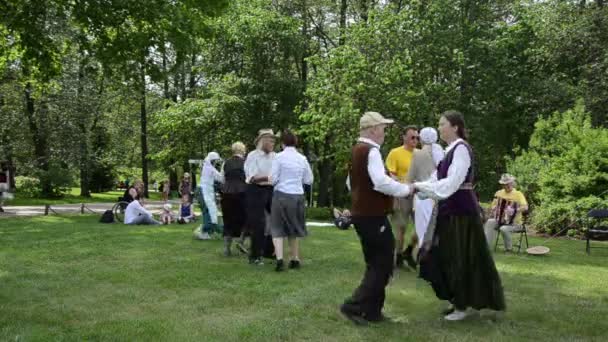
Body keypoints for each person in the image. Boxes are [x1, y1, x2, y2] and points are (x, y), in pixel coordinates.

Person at [413, 110, 505, 321]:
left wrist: (420, 188)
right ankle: (457, 301)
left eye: (442, 124)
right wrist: (416, 187)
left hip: (461, 213)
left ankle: (462, 306)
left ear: (455, 127)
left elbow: (452, 183)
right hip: (449, 210)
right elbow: (436, 179)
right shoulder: (449, 150)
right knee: (443, 255)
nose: (439, 128)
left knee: (459, 258)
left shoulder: (461, 149)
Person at [340, 111, 413, 325]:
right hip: (372, 216)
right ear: (373, 129)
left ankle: (373, 312)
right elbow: (380, 183)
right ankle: (353, 306)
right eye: (382, 127)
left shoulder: (356, 150)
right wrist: (405, 189)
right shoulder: (371, 151)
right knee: (381, 265)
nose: (384, 132)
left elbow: (349, 183)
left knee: (376, 263)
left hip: (363, 215)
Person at [270, 130, 314, 272]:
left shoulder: (278, 157)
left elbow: (273, 178)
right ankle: (295, 259)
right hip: (297, 196)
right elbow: (309, 179)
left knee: (277, 228)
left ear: (282, 143)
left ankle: (280, 260)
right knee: (294, 228)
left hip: (281, 194)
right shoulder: (302, 159)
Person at [385, 125, 419, 269]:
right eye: (412, 137)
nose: (415, 140)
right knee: (401, 228)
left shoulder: (421, 154)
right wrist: (403, 185)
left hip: (419, 195)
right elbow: (391, 175)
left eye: (417, 137)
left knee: (423, 228)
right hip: (401, 195)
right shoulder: (395, 153)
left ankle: (409, 250)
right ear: (404, 137)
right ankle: (398, 256)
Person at [406, 127, 444, 245]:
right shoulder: (442, 153)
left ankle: (424, 258)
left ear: (421, 139)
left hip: (424, 198)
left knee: (423, 233)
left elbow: (409, 178)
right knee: (436, 231)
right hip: (439, 197)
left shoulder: (418, 154)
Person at [245, 128, 277, 265]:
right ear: (262, 141)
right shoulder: (253, 155)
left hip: (270, 189)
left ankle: (269, 251)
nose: (272, 143)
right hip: (256, 190)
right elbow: (252, 177)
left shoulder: (275, 156)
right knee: (259, 223)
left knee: (275, 220)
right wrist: (269, 177)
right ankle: (255, 256)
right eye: (270, 140)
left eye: (273, 141)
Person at [484, 174, 529, 251]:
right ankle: (486, 247)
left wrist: (515, 210)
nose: (507, 185)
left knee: (503, 229)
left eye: (508, 183)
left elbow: (525, 207)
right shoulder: (498, 193)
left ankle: (509, 249)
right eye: (505, 184)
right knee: (490, 222)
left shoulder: (518, 194)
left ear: (512, 183)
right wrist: (494, 208)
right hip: (500, 220)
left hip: (515, 223)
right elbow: (493, 206)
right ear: (502, 185)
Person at [220, 142, 249, 256]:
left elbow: (222, 178)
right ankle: (241, 241)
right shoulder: (246, 163)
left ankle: (227, 248)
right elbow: (249, 178)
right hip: (242, 192)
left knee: (228, 220)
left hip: (227, 193)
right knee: (246, 218)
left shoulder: (225, 163)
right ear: (243, 150)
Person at [198, 152, 224, 239]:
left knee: (209, 212)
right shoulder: (210, 169)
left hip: (203, 192)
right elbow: (221, 178)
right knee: (209, 212)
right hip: (204, 192)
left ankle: (208, 231)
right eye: (215, 161)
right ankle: (204, 231)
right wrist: (223, 168)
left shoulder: (206, 167)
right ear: (213, 160)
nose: (216, 162)